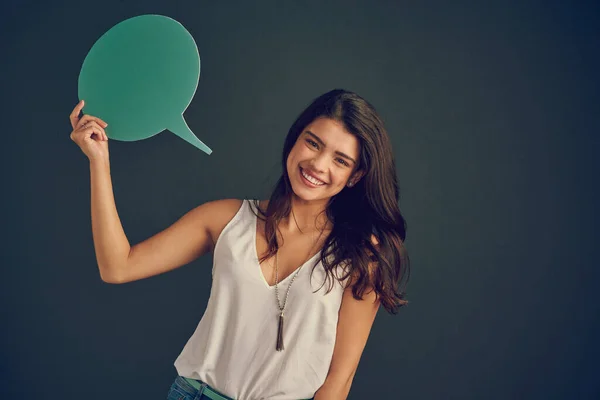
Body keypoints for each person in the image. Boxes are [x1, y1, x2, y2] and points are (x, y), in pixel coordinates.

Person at [69, 89, 410, 400]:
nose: (318, 165)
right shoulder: (226, 219)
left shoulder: (361, 257)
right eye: (313, 143)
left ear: (355, 176)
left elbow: (339, 380)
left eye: (340, 160)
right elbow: (118, 266)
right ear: (295, 141)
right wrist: (99, 161)